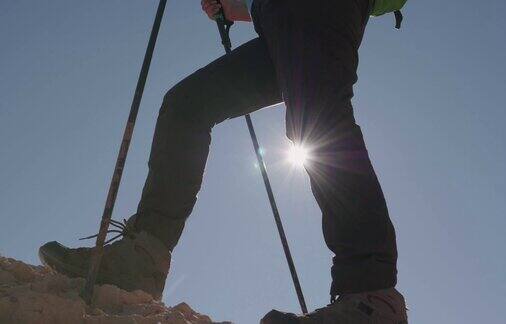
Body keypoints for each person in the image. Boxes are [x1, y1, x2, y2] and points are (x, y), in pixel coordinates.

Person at [39, 0, 408, 322]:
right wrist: (242, 7)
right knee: (187, 106)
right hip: (280, 20)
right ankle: (143, 258)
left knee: (316, 121)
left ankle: (371, 293)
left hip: (319, 9)